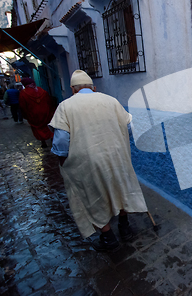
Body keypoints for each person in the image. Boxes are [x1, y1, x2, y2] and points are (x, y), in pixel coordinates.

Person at [49, 70, 148, 252]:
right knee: (120, 187)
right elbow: (129, 127)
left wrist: (63, 161)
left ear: (73, 90)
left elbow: (62, 142)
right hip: (117, 156)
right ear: (93, 88)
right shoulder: (111, 101)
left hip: (88, 162)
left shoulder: (65, 106)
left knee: (93, 195)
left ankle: (109, 237)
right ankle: (125, 228)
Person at [19, 78, 55, 148]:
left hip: (33, 114)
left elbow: (22, 106)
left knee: (38, 128)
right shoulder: (42, 91)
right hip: (46, 112)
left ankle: (43, 142)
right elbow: (49, 102)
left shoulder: (23, 93)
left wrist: (25, 115)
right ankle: (52, 138)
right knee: (47, 126)